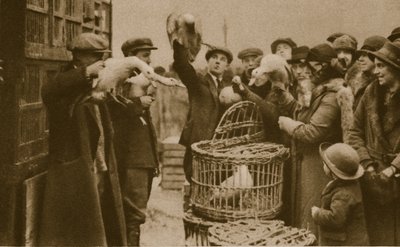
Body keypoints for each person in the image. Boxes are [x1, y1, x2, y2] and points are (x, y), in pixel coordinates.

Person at [39, 33, 126, 246]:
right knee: (76, 227)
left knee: (98, 219)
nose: (102, 62)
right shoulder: (66, 78)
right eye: (96, 57)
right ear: (79, 58)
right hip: (73, 165)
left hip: (99, 162)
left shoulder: (96, 81)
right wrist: (86, 76)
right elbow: (49, 92)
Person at [276, 43, 344, 235]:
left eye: (312, 65)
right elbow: (302, 113)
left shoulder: (332, 95)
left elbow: (313, 132)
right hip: (307, 161)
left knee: (310, 214)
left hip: (318, 164)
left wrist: (289, 125)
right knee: (303, 213)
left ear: (323, 67)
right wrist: (282, 92)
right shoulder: (320, 91)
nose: (307, 70)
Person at [348, 41, 400, 245]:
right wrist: (367, 164)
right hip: (373, 179)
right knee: (379, 236)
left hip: (395, 176)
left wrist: (393, 168)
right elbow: (355, 132)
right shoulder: (370, 93)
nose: (376, 71)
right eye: (375, 65)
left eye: (381, 66)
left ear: (396, 68)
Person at [110, 37, 160, 246]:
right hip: (133, 158)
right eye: (145, 55)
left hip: (143, 158)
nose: (149, 59)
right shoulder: (122, 80)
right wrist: (139, 103)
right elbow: (114, 109)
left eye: (150, 54)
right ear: (132, 58)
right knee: (134, 213)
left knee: (135, 212)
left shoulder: (142, 79)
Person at [172, 40, 233, 182]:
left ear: (227, 66)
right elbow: (182, 66)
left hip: (219, 150)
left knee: (216, 191)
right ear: (208, 61)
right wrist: (181, 42)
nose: (217, 62)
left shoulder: (228, 89)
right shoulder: (198, 81)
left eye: (222, 59)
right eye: (214, 58)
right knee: (197, 184)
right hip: (198, 145)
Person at [312, 143, 369, 246]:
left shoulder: (343, 195)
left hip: (344, 242)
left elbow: (336, 219)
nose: (323, 165)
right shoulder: (350, 184)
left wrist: (317, 214)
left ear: (333, 170)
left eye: (325, 164)